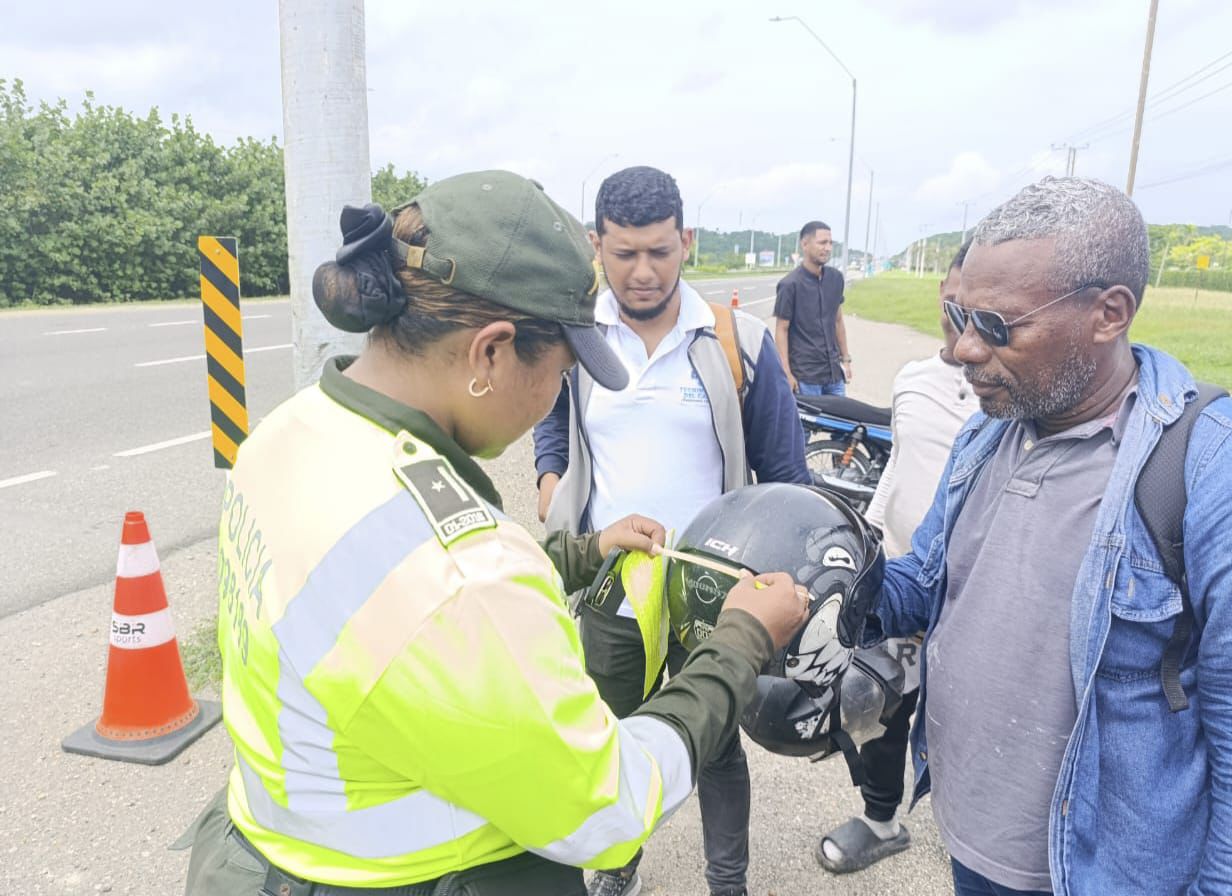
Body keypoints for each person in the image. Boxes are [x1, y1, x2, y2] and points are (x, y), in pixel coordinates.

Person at [179, 170, 810, 896]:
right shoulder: (467, 577)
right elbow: (608, 803)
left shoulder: (288, 434)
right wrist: (739, 640)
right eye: (564, 367)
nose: (556, 394)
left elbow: (390, 591)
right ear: (490, 352)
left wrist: (581, 550)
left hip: (263, 854)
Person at [865, 177, 1232, 895]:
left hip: (1098, 874)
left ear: (1109, 313)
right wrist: (838, 581)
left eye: (996, 326)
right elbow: (928, 581)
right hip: (974, 842)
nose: (963, 349)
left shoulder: (1225, 468)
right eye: (958, 315)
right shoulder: (986, 434)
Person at [534, 165, 810, 896]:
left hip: (713, 592)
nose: (644, 271)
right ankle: (617, 863)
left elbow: (787, 475)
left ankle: (729, 884)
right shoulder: (579, 336)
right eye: (625, 254)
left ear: (686, 241)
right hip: (614, 586)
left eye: (660, 251)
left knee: (715, 742)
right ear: (598, 247)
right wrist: (549, 473)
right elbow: (549, 417)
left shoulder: (733, 340)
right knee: (614, 736)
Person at [817, 241, 980, 875]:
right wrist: (872, 530)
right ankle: (882, 819)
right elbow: (901, 465)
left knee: (962, 713)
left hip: (968, 594)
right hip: (904, 575)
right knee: (874, 700)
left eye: (978, 304)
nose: (959, 311)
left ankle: (966, 825)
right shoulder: (913, 380)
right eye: (953, 293)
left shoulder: (1013, 396)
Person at [774, 220, 851, 396]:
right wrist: (786, 373)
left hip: (834, 375)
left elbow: (838, 320)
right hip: (805, 377)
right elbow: (781, 330)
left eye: (830, 243)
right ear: (805, 244)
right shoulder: (789, 285)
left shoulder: (836, 279)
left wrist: (846, 360)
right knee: (808, 424)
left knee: (838, 422)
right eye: (822, 243)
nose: (828, 248)